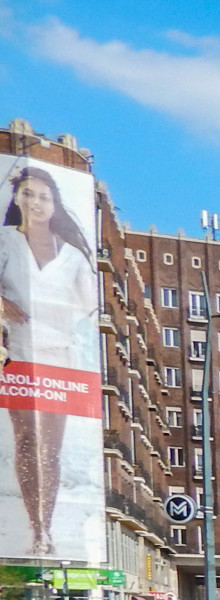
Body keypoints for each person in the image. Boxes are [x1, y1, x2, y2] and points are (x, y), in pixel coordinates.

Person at [0, 166, 97, 557]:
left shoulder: (72, 255)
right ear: (17, 198)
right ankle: (35, 528)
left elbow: (90, 310)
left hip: (62, 359)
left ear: (54, 203)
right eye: (28, 194)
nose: (36, 202)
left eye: (44, 195)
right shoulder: (5, 240)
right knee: (27, 440)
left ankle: (47, 527)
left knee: (50, 449)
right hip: (17, 354)